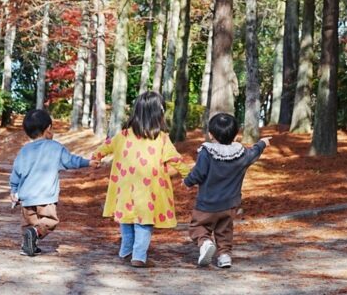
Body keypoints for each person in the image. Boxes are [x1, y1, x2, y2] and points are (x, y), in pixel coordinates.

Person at [101, 91, 189, 267]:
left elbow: (105, 147)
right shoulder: (161, 138)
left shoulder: (123, 135)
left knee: (126, 218)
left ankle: (126, 249)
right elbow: (175, 159)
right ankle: (138, 256)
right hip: (149, 192)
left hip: (125, 189)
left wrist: (96, 158)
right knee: (144, 222)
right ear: (159, 114)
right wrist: (190, 176)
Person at [183, 113, 271, 269]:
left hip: (207, 203)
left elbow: (199, 173)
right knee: (224, 230)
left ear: (210, 134)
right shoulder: (240, 152)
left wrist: (187, 182)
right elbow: (253, 153)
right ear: (235, 134)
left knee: (198, 227)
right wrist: (262, 143)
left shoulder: (207, 152)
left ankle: (205, 243)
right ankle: (224, 256)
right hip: (230, 204)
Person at [9, 108, 98, 257]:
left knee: (28, 223)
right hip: (46, 197)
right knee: (49, 221)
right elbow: (71, 161)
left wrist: (13, 190)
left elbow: (16, 172)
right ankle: (34, 234)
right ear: (48, 129)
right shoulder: (55, 147)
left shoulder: (24, 151)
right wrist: (88, 163)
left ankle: (28, 244)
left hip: (25, 198)